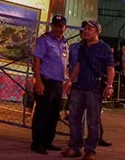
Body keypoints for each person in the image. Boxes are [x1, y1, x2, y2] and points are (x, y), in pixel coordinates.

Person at [63, 21, 114, 160]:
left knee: (93, 122)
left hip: (94, 89)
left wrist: (109, 86)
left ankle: (90, 151)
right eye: (85, 29)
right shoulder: (82, 47)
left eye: (89, 29)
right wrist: (70, 80)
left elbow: (110, 67)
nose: (86, 31)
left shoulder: (104, 48)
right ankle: (74, 148)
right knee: (74, 118)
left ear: (97, 32)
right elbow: (78, 65)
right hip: (79, 88)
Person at [31, 13, 69, 155]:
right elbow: (37, 60)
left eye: (61, 26)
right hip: (45, 81)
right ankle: (37, 143)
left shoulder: (65, 43)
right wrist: (38, 81)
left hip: (58, 83)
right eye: (55, 26)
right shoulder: (44, 40)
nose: (58, 28)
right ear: (52, 26)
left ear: (65, 28)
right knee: (42, 113)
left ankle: (47, 141)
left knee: (53, 114)